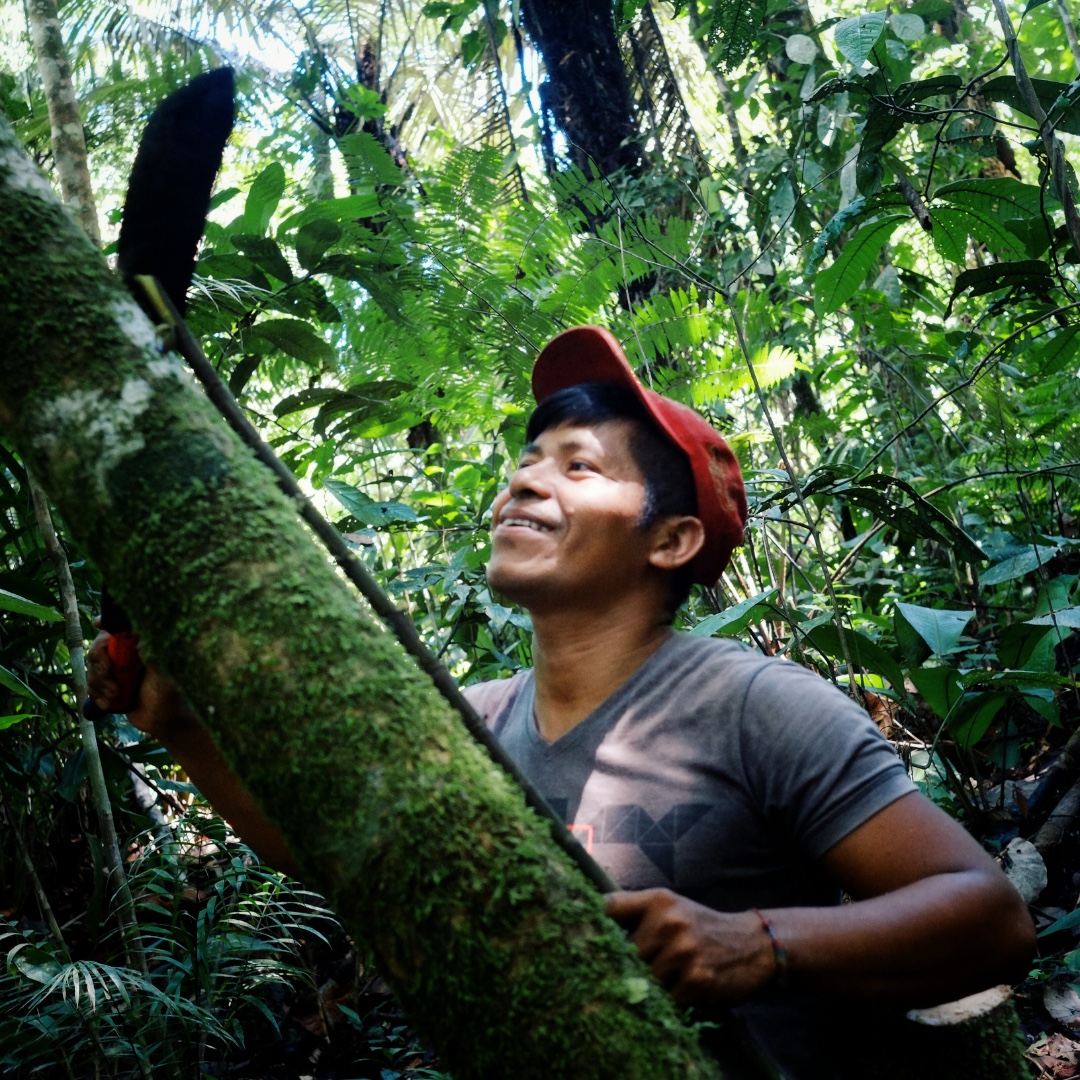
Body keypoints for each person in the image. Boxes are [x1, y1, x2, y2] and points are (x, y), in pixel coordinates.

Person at [88, 325, 1035, 1079]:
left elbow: (990, 920)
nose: (524, 478)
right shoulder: (472, 718)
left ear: (668, 541)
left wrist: (756, 944)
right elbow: (322, 843)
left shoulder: (756, 703)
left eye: (578, 466)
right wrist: (180, 727)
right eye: (529, 458)